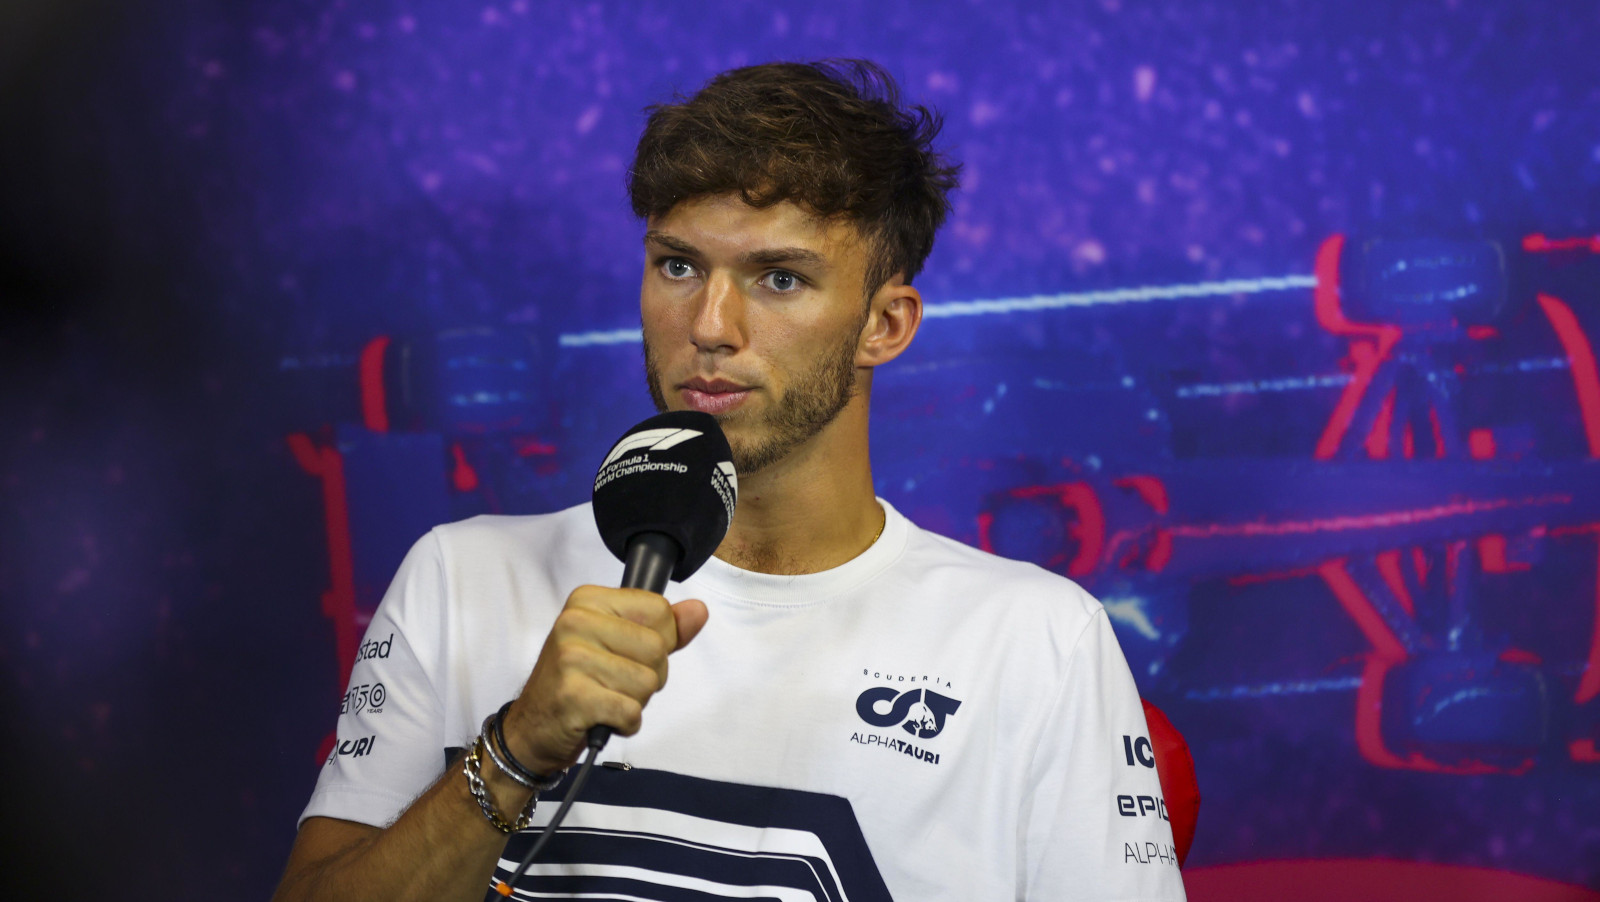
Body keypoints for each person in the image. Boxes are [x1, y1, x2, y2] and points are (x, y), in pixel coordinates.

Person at [273, 59, 1186, 902]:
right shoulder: (459, 578)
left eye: (779, 279)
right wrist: (514, 751)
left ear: (886, 324)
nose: (710, 324)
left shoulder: (1035, 640)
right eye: (678, 265)